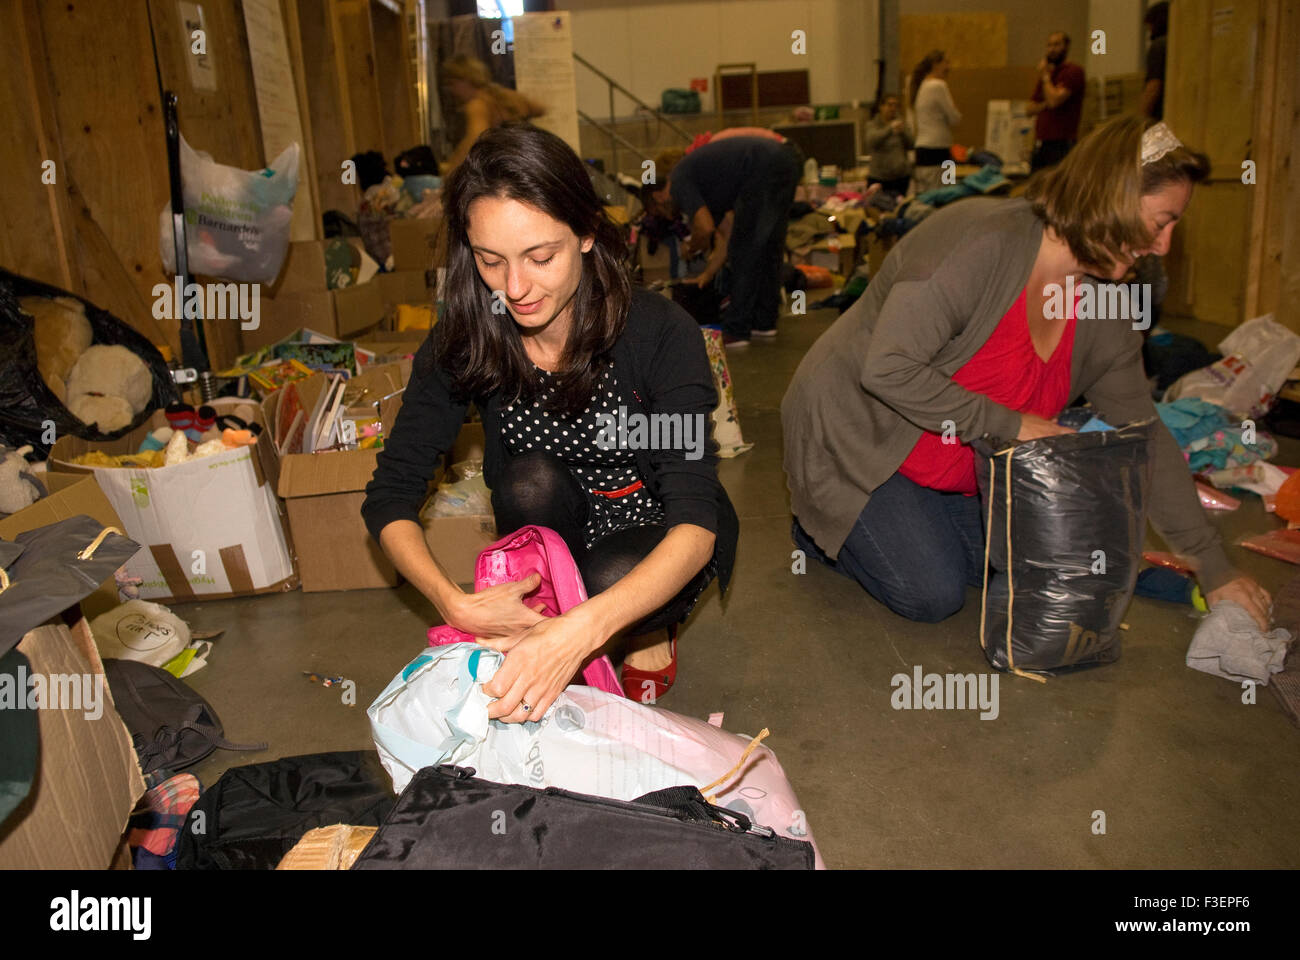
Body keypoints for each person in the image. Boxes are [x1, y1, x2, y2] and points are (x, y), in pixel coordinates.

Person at [781, 115, 1271, 631]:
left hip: (957, 460)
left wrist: (1212, 566)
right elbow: (890, 368)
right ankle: (819, 531)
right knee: (933, 594)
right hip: (858, 441)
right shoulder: (979, 242)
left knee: (1042, 569)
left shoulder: (1104, 309)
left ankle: (917, 521)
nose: (1164, 245)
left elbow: (1144, 436)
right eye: (1162, 221)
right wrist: (1012, 425)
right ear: (1112, 197)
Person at [363, 124, 738, 721]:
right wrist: (452, 602)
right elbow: (390, 495)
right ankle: (566, 614)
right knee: (528, 479)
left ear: (587, 233)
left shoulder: (659, 333)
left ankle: (631, 628)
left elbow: (696, 524)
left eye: (541, 257)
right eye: (491, 261)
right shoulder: (468, 336)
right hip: (553, 517)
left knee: (609, 574)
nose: (515, 288)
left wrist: (578, 632)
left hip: (651, 518)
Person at [648, 135, 804, 347]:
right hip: (785, 160)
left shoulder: (678, 181)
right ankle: (764, 323)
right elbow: (727, 236)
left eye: (658, 212)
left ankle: (736, 330)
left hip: (764, 166)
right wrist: (707, 273)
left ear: (658, 197)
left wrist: (691, 248)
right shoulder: (707, 185)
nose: (667, 217)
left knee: (746, 249)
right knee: (769, 247)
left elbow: (705, 228)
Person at [439, 56, 546, 174]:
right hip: (529, 160)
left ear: (466, 80)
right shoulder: (506, 96)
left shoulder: (477, 105)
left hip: (507, 167)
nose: (450, 90)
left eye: (452, 84)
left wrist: (452, 170)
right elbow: (540, 109)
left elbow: (475, 138)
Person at [1026, 31, 1086, 171]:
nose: (1052, 49)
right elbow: (1029, 109)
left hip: (1062, 145)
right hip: (1042, 145)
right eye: (1049, 45)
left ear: (1066, 47)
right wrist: (1045, 103)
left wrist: (1045, 77)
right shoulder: (1048, 76)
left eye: (1057, 44)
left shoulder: (1073, 72)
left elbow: (1054, 101)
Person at [908, 50, 961, 195]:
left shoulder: (922, 86)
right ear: (936, 64)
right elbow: (955, 118)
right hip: (939, 151)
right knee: (947, 194)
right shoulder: (938, 85)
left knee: (928, 195)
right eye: (946, 62)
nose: (949, 67)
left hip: (924, 151)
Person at [864, 94, 914, 198]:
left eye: (896, 105)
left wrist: (903, 132)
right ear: (881, 107)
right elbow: (871, 141)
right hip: (879, 177)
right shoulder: (872, 124)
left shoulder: (902, 123)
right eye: (890, 105)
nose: (893, 108)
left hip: (900, 177)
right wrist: (890, 129)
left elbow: (912, 144)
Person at [1142, 2, 1170, 121]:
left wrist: (1141, 118)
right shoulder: (1177, 44)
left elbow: (1153, 87)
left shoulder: (1159, 46)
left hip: (1159, 117)